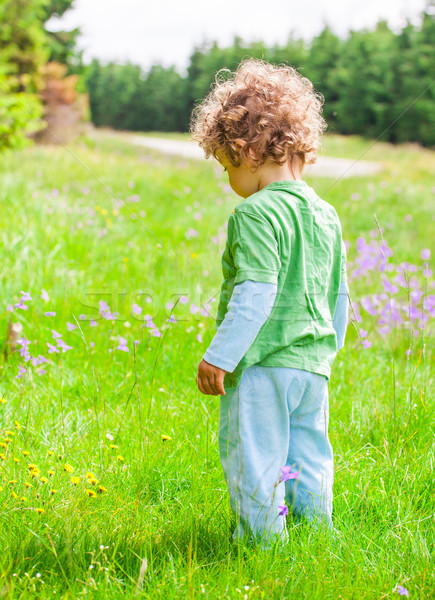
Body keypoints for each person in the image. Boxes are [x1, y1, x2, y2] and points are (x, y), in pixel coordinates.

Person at [189, 58, 349, 546]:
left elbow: (255, 294)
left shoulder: (255, 214)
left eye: (225, 165)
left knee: (256, 456)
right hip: (312, 364)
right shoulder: (326, 214)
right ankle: (313, 533)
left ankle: (261, 543)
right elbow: (338, 293)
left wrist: (220, 355)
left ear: (247, 151)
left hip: (261, 364)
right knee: (309, 452)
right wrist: (328, 349)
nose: (228, 179)